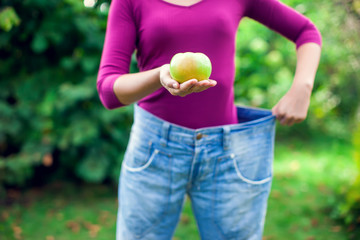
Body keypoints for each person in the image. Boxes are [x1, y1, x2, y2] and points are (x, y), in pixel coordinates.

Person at [97, 0, 322, 239]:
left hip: (227, 153)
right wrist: (159, 76)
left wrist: (303, 87)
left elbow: (306, 31)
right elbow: (108, 90)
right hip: (155, 148)